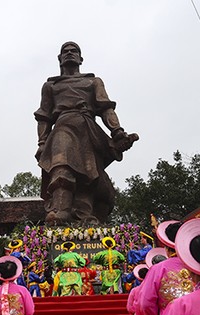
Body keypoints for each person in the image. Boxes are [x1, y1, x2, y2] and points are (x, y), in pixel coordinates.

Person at [34, 41, 139, 225]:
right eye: (65, 51)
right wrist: (42, 144)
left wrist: (117, 131)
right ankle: (61, 210)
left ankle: (84, 216)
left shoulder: (92, 81)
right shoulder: (50, 86)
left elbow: (105, 108)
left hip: (88, 129)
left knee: (89, 175)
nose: (69, 53)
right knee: (62, 164)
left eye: (74, 51)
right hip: (63, 126)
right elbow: (44, 117)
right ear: (59, 59)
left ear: (81, 58)